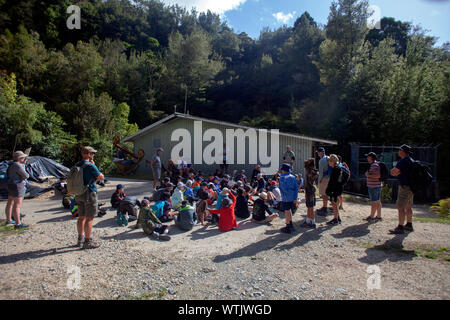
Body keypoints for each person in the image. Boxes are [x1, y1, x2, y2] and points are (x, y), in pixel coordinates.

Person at [75, 146, 104, 249]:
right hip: (89, 192)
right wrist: (94, 165)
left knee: (81, 217)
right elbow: (101, 177)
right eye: (92, 153)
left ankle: (80, 239)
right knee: (89, 218)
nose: (93, 155)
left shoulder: (77, 164)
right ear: (87, 154)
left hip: (79, 193)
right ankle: (87, 241)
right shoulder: (90, 165)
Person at [389, 145, 415, 234]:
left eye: (399, 150)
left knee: (400, 207)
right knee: (408, 206)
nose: (398, 151)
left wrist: (396, 172)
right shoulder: (411, 160)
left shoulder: (402, 161)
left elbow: (393, 172)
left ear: (403, 151)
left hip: (404, 187)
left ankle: (400, 227)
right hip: (411, 187)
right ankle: (409, 224)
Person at [5, 151, 29, 229]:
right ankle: (18, 223)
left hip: (10, 184)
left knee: (10, 203)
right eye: (23, 157)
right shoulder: (18, 165)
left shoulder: (11, 164)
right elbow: (26, 175)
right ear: (20, 158)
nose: (24, 159)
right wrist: (24, 165)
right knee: (17, 205)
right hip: (18, 185)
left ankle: (9, 220)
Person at [279, 164, 298, 234]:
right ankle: (291, 224)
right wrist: (295, 198)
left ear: (283, 170)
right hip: (292, 197)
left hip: (286, 198)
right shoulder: (293, 177)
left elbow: (283, 189)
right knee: (289, 210)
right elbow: (296, 188)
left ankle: (287, 226)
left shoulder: (282, 178)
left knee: (286, 211)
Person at [364, 152, 382, 222]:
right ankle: (378, 216)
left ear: (371, 158)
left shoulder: (374, 165)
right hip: (376, 185)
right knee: (377, 201)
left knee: (374, 201)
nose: (367, 158)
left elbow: (378, 176)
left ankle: (371, 216)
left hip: (374, 186)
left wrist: (368, 175)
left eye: (368, 157)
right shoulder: (375, 164)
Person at [300, 158, 318, 229]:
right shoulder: (313, 172)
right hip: (310, 191)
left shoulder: (310, 173)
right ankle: (308, 220)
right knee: (309, 206)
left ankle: (313, 222)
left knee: (311, 207)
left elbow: (308, 184)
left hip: (310, 192)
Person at [325, 154, 343, 226]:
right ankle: (337, 217)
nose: (328, 162)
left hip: (334, 189)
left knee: (334, 203)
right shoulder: (338, 167)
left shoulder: (335, 169)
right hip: (338, 188)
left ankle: (335, 219)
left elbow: (333, 181)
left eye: (329, 160)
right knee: (335, 202)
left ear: (332, 161)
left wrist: (329, 190)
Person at [317, 147, 331, 216]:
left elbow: (321, 173)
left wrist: (319, 181)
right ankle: (324, 206)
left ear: (320, 153)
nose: (317, 153)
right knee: (326, 194)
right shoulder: (328, 158)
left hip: (324, 178)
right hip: (330, 177)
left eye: (318, 152)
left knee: (324, 194)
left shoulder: (321, 160)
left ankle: (325, 208)